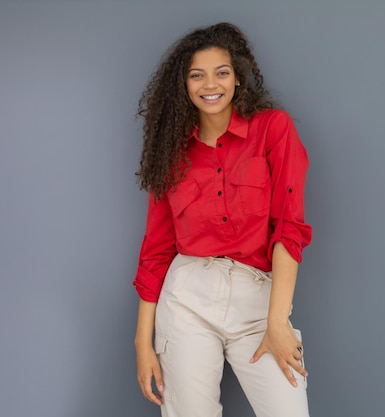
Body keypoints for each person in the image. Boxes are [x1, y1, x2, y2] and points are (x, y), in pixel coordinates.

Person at [133, 22, 313, 417]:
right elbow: (156, 251)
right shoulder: (171, 153)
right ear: (183, 84)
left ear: (237, 79)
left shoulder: (272, 129)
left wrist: (278, 321)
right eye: (196, 75)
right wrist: (142, 343)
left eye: (221, 72)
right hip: (186, 302)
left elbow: (289, 228)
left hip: (258, 301)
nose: (209, 84)